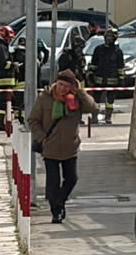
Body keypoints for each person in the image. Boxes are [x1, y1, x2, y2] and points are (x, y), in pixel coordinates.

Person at [28, 69, 97, 224]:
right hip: (50, 147)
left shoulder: (76, 99)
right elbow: (33, 120)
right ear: (55, 83)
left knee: (72, 178)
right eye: (60, 84)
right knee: (53, 181)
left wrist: (80, 92)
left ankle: (59, 201)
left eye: (66, 86)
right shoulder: (44, 98)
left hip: (70, 147)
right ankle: (56, 212)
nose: (62, 89)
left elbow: (92, 107)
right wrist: (43, 138)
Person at [88, 29, 124, 124]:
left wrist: (121, 79)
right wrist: (91, 75)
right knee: (96, 100)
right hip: (99, 80)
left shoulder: (117, 51)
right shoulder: (98, 49)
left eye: (111, 37)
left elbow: (120, 66)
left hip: (113, 81)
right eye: (107, 37)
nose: (109, 39)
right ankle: (95, 117)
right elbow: (93, 64)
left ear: (115, 38)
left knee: (110, 101)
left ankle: (108, 118)